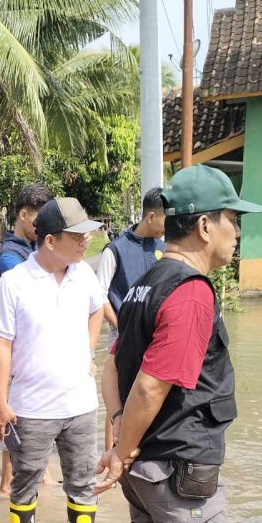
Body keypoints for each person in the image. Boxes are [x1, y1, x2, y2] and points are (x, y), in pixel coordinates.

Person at [95, 164, 262, 523]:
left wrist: (118, 442)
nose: (237, 232)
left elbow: (111, 367)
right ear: (205, 225)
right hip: (176, 470)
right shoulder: (190, 292)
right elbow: (149, 386)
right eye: (232, 220)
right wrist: (121, 448)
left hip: (146, 467)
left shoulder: (145, 281)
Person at [0, 197, 104, 523]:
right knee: (25, 479)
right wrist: (0, 401)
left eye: (88, 234)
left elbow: (97, 309)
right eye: (77, 236)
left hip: (80, 404)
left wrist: (88, 352)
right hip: (32, 407)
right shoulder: (15, 281)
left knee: (82, 480)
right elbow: (1, 343)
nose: (86, 242)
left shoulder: (83, 273)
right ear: (50, 241)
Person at [0, 183, 55, 494]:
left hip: (32, 351)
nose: (43, 229)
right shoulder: (9, 257)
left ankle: (40, 477)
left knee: (34, 420)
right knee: (14, 419)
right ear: (23, 214)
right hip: (16, 355)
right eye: (39, 222)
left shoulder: (29, 251)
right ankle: (7, 485)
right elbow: (36, 295)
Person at [96, 189, 165, 448]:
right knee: (118, 394)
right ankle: (110, 451)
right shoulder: (115, 251)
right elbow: (98, 296)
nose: (166, 227)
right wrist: (120, 327)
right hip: (122, 334)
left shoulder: (163, 248)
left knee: (148, 390)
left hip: (154, 334)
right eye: (164, 219)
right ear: (150, 216)